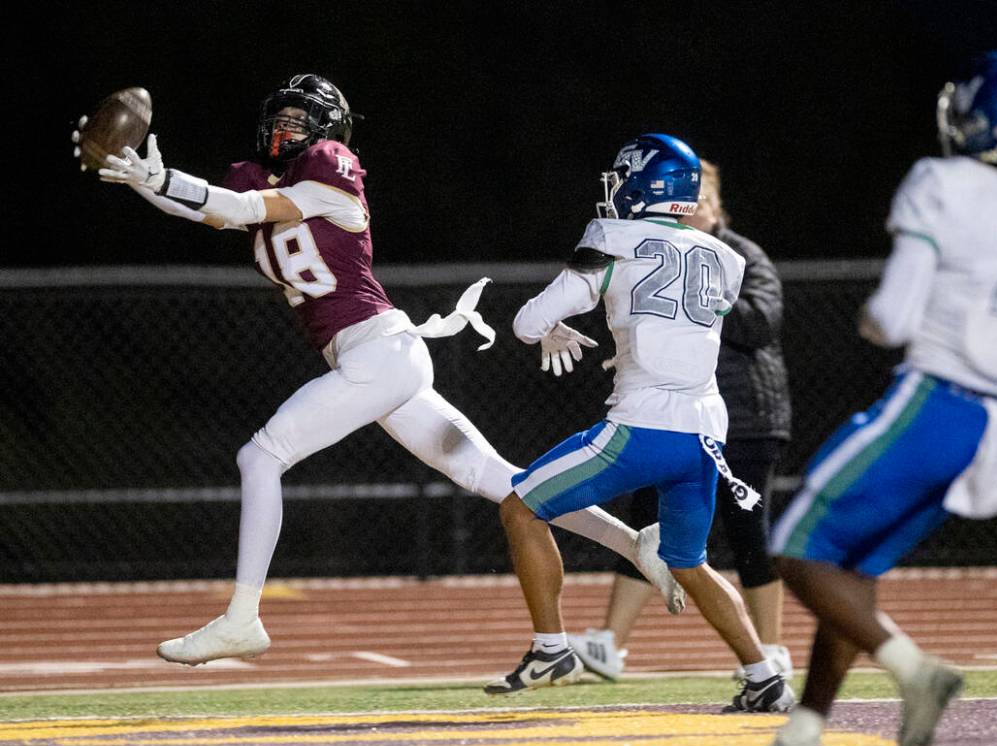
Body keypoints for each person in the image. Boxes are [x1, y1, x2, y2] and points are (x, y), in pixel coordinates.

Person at [75, 74, 684, 665]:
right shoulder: (261, 179)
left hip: (378, 352)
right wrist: (132, 172)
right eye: (279, 119)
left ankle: (242, 619)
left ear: (325, 132)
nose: (285, 130)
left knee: (260, 457)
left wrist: (162, 176)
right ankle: (637, 545)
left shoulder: (329, 174)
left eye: (298, 121)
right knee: (499, 478)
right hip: (378, 362)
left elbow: (235, 207)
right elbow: (209, 210)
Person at [722, 50, 997, 746]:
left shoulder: (940, 183)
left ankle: (915, 670)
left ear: (968, 118)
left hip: (937, 405)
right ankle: (805, 737)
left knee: (795, 550)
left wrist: (874, 321)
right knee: (852, 567)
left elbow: (895, 313)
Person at [484, 133, 790, 713]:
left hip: (640, 428)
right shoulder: (726, 256)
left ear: (642, 183)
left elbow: (528, 322)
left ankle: (551, 648)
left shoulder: (611, 240)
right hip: (706, 434)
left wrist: (551, 326)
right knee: (688, 563)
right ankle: (763, 675)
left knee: (520, 507)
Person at [567, 160, 795, 690]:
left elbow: (761, 323)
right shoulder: (659, 253)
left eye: (702, 204)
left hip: (746, 418)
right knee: (649, 518)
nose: (691, 214)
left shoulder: (737, 257)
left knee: (747, 532)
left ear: (717, 208)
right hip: (675, 417)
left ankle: (770, 648)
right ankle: (608, 644)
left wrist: (702, 297)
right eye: (685, 205)